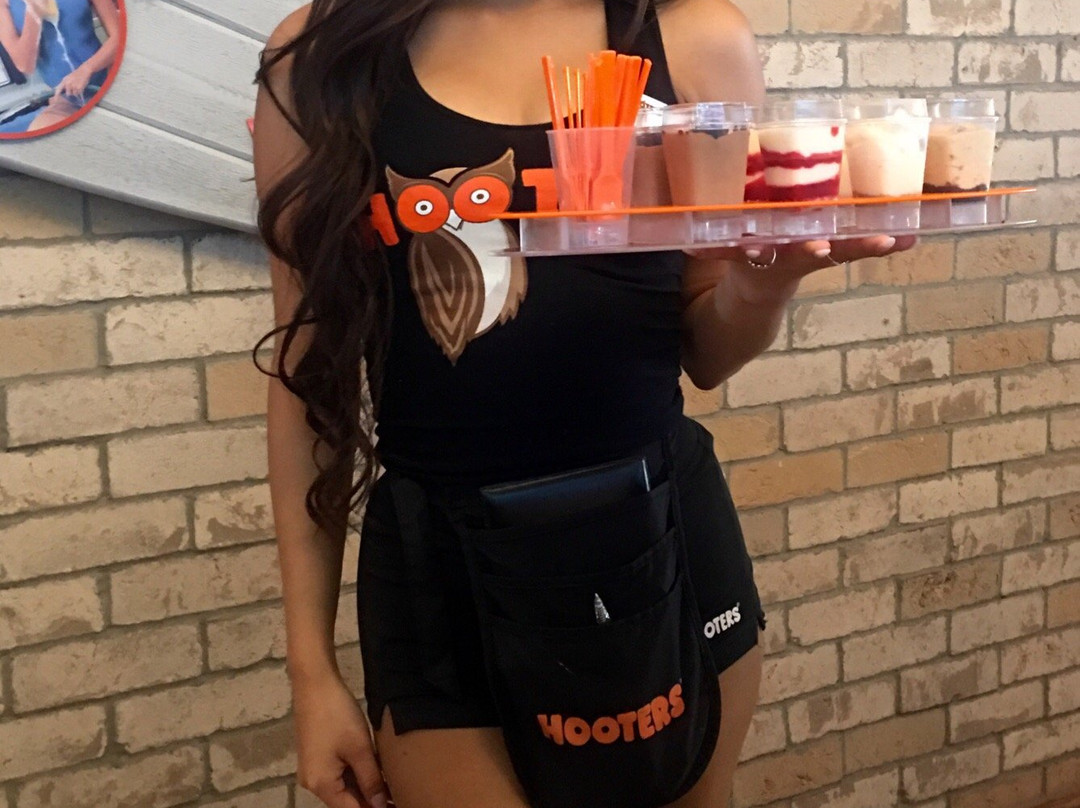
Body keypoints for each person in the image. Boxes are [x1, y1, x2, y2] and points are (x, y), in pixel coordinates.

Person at [251, 1, 916, 807]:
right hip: (441, 565)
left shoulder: (695, 38)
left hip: (661, 533)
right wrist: (310, 672)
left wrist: (762, 284)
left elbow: (707, 354)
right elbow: (307, 378)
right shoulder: (318, 54)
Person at [0, 0, 119, 134]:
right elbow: (25, 65)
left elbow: (120, 38)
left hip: (109, 82)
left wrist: (87, 69)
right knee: (43, 128)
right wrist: (33, 13)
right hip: (64, 98)